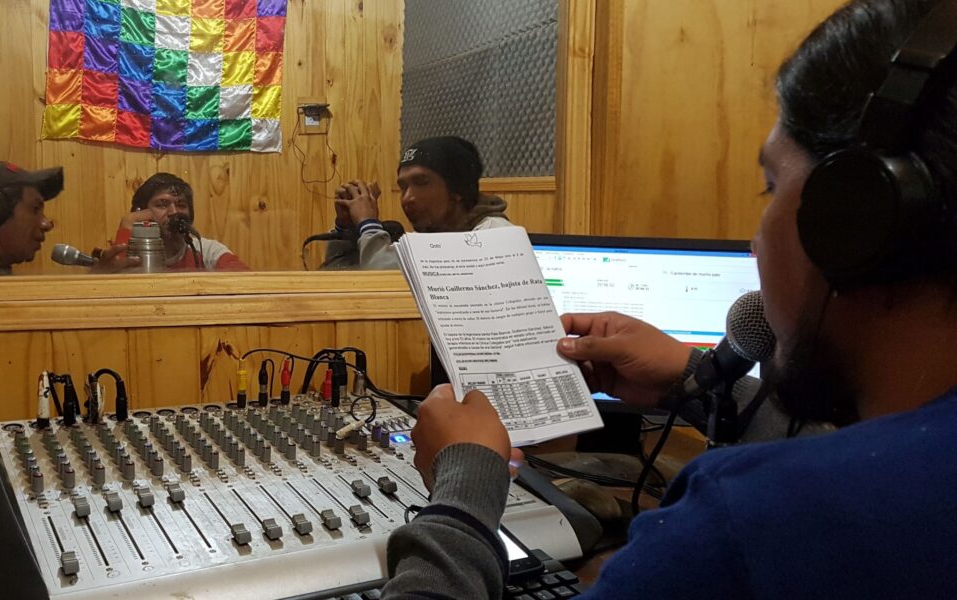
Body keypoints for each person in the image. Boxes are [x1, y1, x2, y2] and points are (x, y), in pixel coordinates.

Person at [383, 0, 957, 598]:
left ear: (858, 219)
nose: (758, 240)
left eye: (772, 186)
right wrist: (695, 381)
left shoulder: (749, 519)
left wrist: (463, 493)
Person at [324, 136, 512, 269]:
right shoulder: (430, 236)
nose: (407, 198)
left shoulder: (494, 236)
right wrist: (346, 230)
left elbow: (383, 276)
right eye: (403, 187)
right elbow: (338, 282)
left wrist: (368, 224)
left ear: (458, 190)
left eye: (421, 183)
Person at [106, 173, 249, 272]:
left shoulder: (206, 250)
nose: (174, 212)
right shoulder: (135, 251)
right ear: (141, 212)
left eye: (181, 204)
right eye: (162, 204)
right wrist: (127, 225)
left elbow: (247, 282)